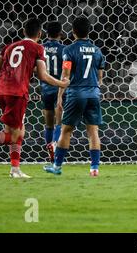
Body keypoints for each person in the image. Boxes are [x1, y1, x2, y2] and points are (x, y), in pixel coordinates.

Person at [0, 18, 69, 178]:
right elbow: (43, 75)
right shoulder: (37, 48)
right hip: (17, 93)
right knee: (16, 135)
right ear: (39, 34)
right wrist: (61, 83)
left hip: (2, 91)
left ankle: (15, 169)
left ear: (23, 32)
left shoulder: (9, 46)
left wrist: (1, 86)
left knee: (16, 131)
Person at [44, 16, 105, 177]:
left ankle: (56, 166)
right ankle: (94, 168)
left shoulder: (69, 50)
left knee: (66, 130)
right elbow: (100, 77)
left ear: (73, 32)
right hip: (93, 93)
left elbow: (65, 75)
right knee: (93, 131)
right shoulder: (97, 50)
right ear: (88, 31)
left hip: (76, 93)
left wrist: (59, 96)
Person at [41, 21, 66, 163]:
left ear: (46, 33)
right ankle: (55, 146)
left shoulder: (41, 48)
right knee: (59, 123)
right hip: (59, 89)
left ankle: (50, 153)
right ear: (60, 34)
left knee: (48, 124)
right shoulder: (64, 49)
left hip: (45, 88)